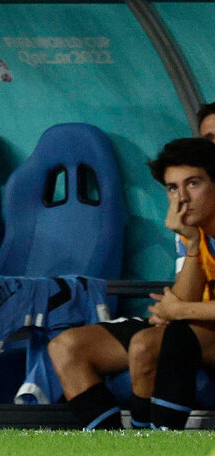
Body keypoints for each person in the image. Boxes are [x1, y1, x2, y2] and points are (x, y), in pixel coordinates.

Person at [49, 138, 215, 430]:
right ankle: (110, 446)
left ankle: (147, 443)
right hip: (192, 325)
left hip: (200, 329)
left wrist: (177, 311)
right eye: (172, 188)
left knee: (147, 344)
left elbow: (179, 311)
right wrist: (191, 243)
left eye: (193, 183)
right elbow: (180, 304)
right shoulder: (189, 230)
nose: (181, 198)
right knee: (67, 347)